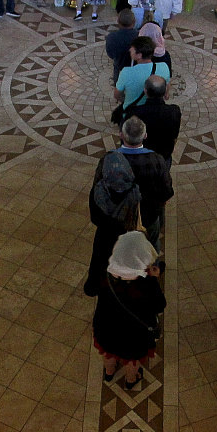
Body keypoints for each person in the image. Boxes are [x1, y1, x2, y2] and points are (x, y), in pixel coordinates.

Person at [92, 231, 165, 389]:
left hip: (105, 325)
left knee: (107, 351)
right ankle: (131, 380)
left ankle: (109, 372)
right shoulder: (145, 283)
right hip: (133, 334)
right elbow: (160, 305)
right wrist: (153, 277)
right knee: (131, 360)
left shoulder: (105, 273)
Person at [84, 151, 141, 296]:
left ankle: (98, 286)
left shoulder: (98, 192)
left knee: (100, 260)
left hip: (104, 236)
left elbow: (95, 219)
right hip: (126, 235)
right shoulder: (134, 191)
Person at [112, 116, 172, 248]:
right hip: (148, 214)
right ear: (145, 136)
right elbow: (166, 192)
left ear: (121, 135)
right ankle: (152, 266)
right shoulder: (157, 160)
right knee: (152, 243)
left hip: (120, 216)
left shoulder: (111, 160)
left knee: (121, 246)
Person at [114, 36, 171, 116]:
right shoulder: (164, 67)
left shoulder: (126, 72)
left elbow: (117, 94)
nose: (130, 50)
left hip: (132, 113)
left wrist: (127, 100)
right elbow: (167, 86)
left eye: (132, 49)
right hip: (153, 112)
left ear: (139, 55)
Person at [137, 74, 181, 162]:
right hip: (163, 157)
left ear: (145, 91)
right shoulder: (174, 111)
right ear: (165, 91)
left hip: (141, 158)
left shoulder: (135, 113)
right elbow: (174, 137)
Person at [105, 10, 138, 79]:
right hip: (135, 66)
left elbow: (110, 53)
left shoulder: (111, 37)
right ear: (134, 21)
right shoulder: (140, 36)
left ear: (118, 21)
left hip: (119, 64)